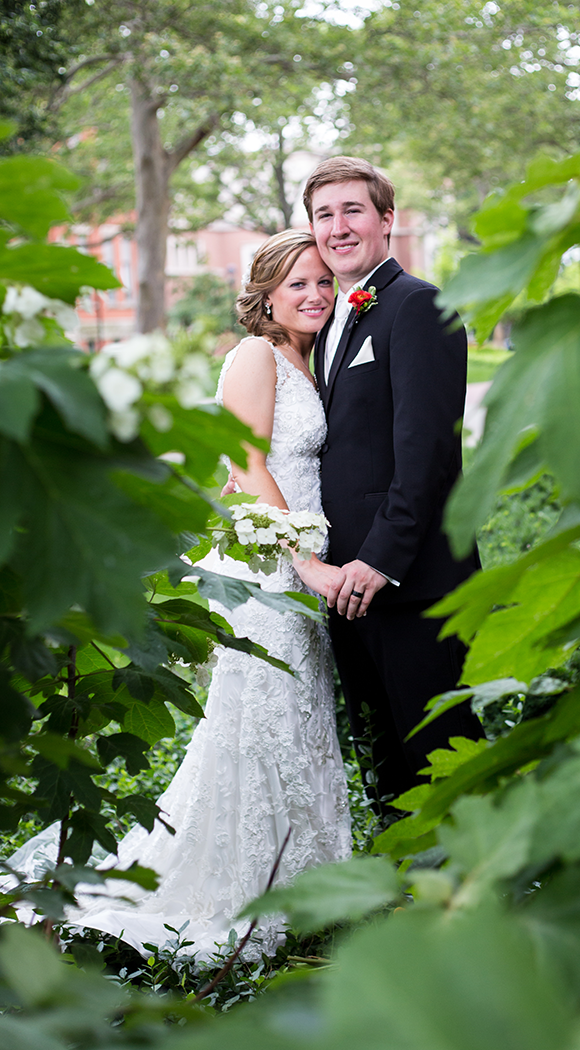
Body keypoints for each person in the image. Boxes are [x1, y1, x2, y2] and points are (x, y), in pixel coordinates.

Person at [7, 230, 352, 962]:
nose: (316, 295)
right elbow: (246, 465)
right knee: (258, 718)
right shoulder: (256, 356)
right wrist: (308, 561)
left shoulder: (305, 355)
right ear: (264, 295)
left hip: (304, 561)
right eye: (298, 285)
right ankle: (237, 888)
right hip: (274, 568)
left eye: (323, 282)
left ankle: (305, 879)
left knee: (298, 718)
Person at [297, 157, 484, 811]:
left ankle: (478, 894)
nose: (338, 227)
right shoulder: (330, 322)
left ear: (386, 219)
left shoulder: (419, 305)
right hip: (346, 584)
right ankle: (407, 892)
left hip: (410, 579)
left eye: (353, 210)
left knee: (441, 754)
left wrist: (380, 559)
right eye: (325, 214)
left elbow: (428, 450)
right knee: (385, 760)